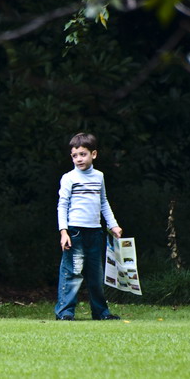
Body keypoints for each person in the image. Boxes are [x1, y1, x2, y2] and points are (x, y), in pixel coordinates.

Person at [54, 133, 122, 321]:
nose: (78, 159)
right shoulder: (69, 178)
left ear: (94, 154)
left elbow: (103, 202)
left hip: (95, 231)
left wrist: (113, 225)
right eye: (74, 155)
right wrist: (63, 232)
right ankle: (65, 312)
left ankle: (101, 313)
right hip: (74, 232)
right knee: (72, 273)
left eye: (83, 154)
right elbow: (62, 205)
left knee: (95, 275)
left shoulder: (99, 176)